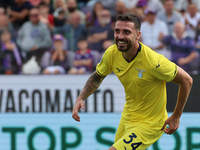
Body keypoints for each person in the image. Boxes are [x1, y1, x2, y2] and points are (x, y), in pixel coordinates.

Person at [72, 13, 193, 149]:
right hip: (128, 117)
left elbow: (187, 80)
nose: (120, 36)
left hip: (150, 123)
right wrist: (81, 97)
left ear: (138, 35)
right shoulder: (111, 53)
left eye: (126, 32)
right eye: (117, 31)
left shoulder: (153, 61)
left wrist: (176, 115)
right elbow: (98, 75)